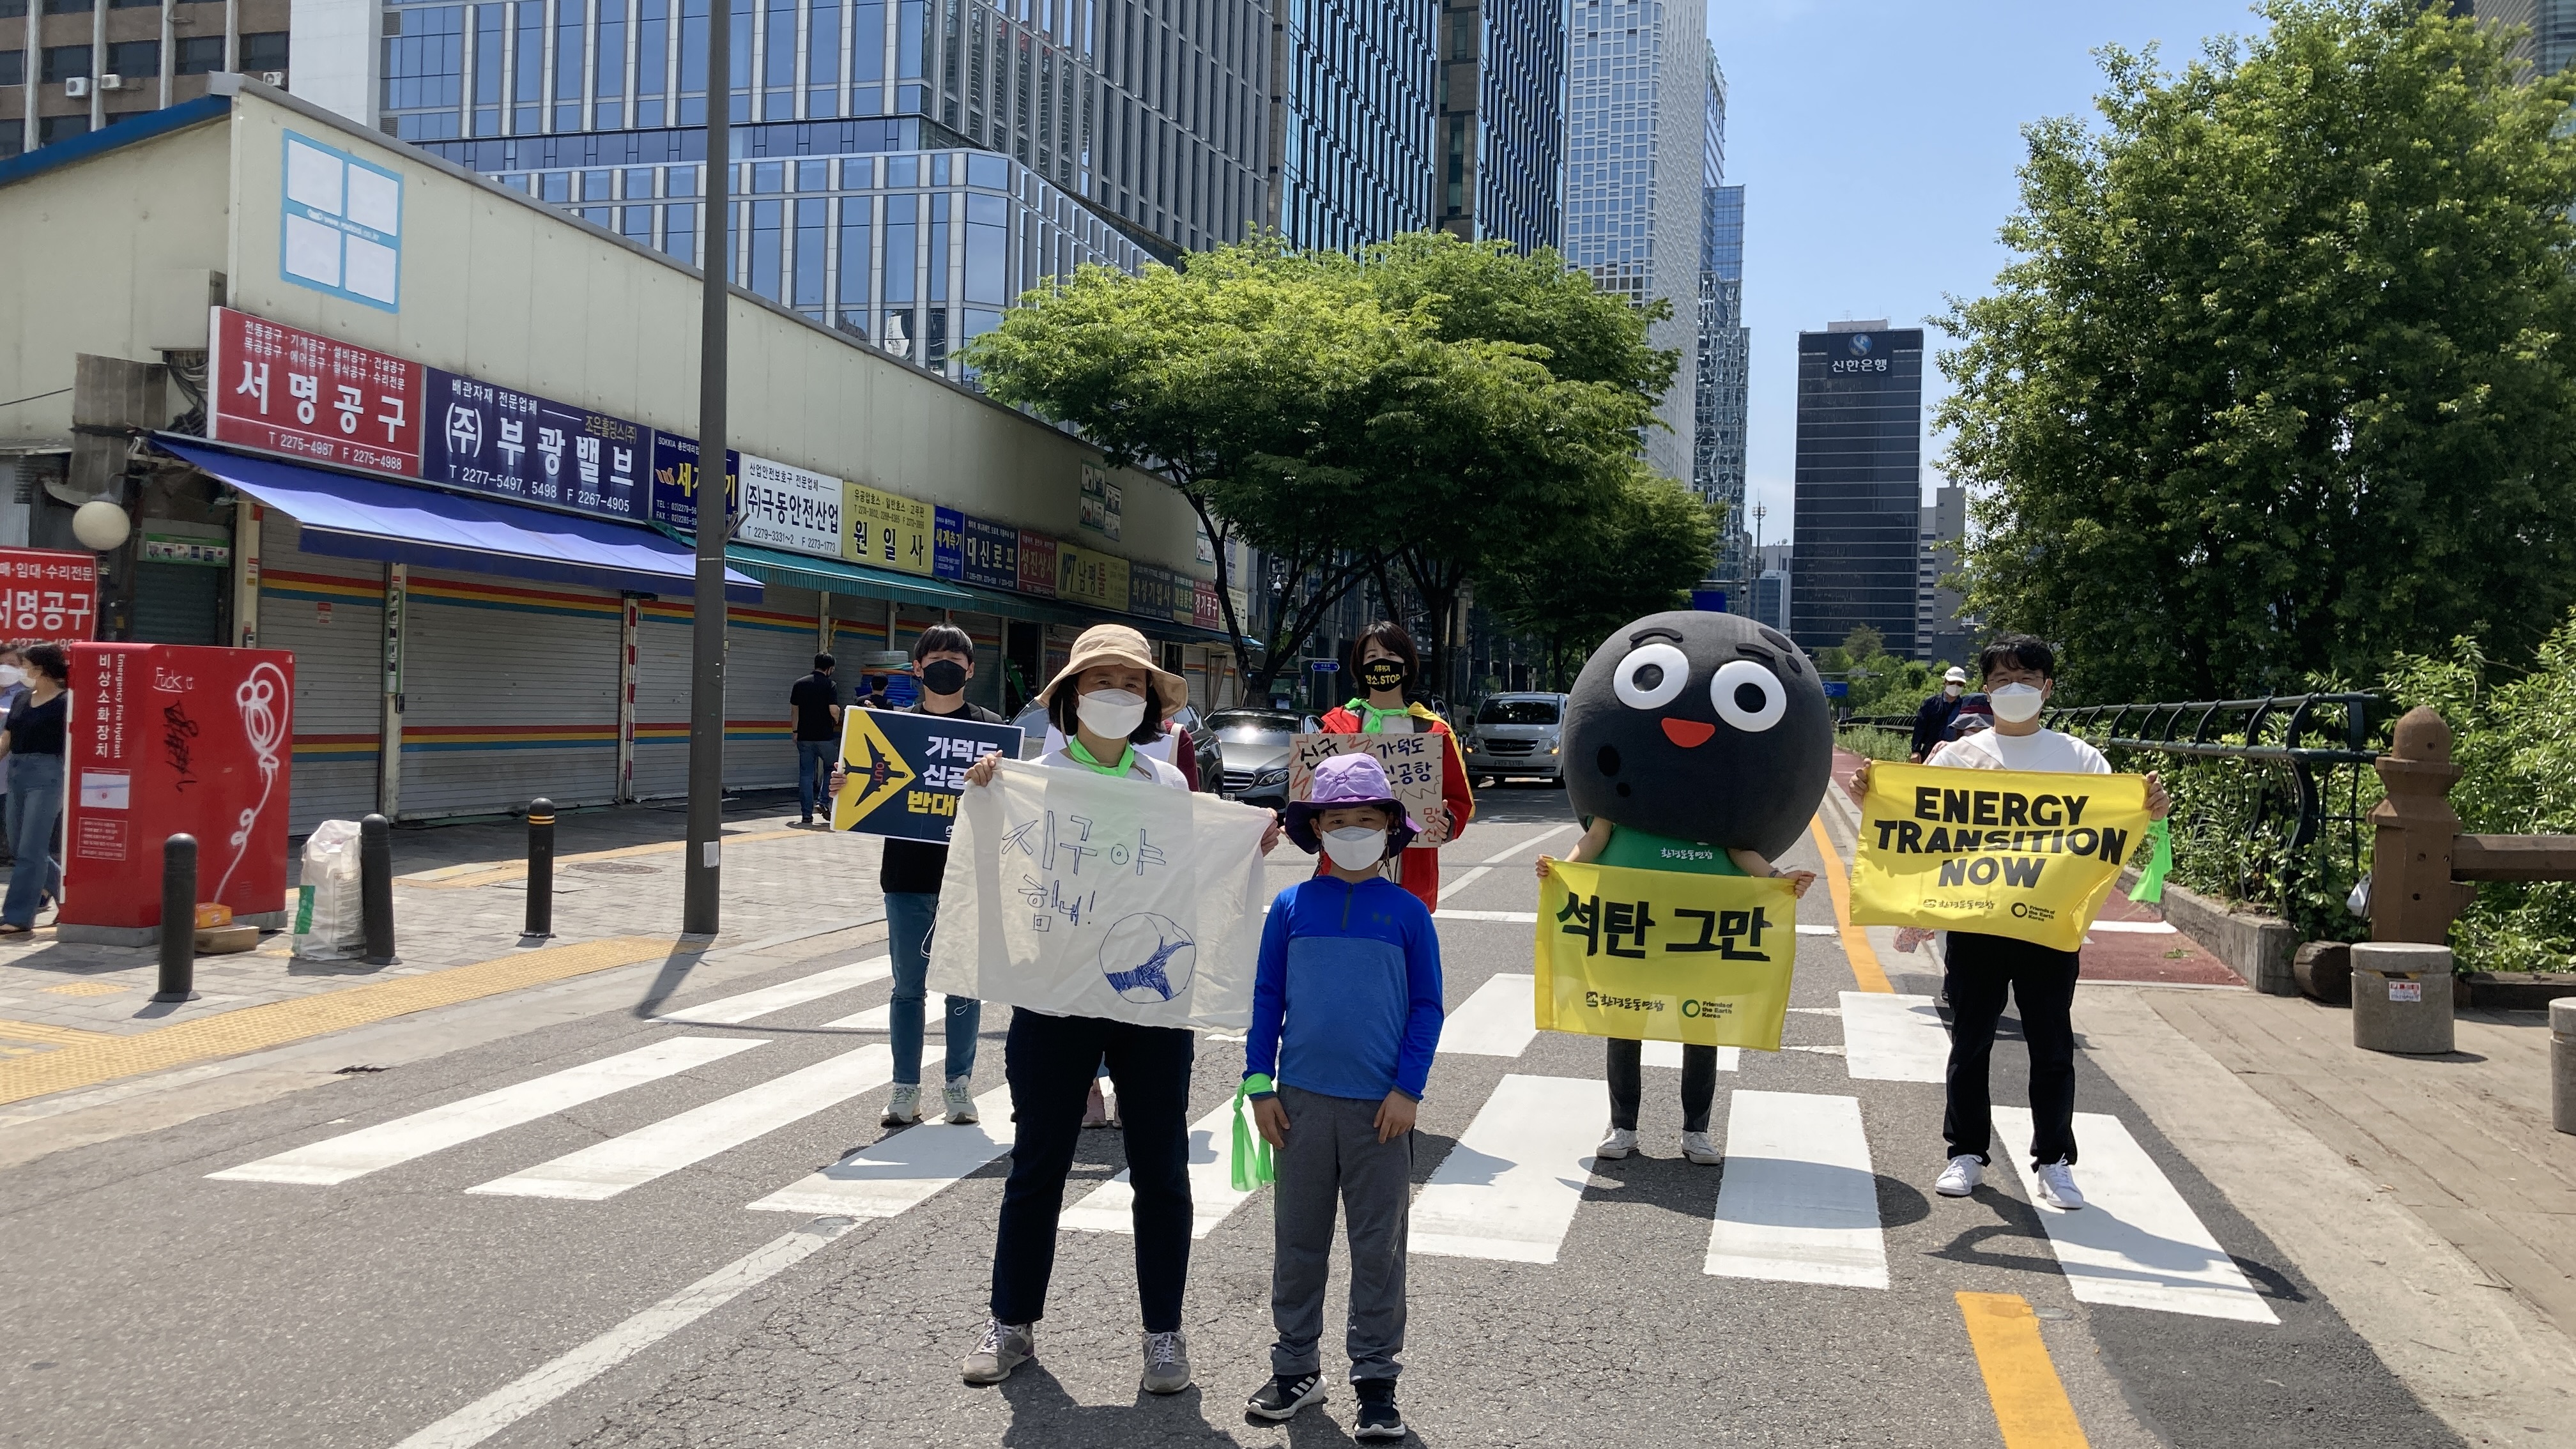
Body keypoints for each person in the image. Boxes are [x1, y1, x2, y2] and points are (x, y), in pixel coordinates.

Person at [956, 624, 1282, 1393]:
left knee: (1161, 1168)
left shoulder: (1167, 786)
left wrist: (1243, 847)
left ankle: (1164, 1335)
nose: (1116, 693)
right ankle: (1011, 1323)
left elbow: (1192, 880)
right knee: (1038, 1163)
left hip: (1150, 1003)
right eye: (1101, 680)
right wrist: (982, 794)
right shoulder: (1029, 778)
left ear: (1149, 705)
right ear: (1070, 697)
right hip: (1054, 996)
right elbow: (989, 865)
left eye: (1132, 683)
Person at [1853, 634, 2171, 1211]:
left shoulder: (2081, 761)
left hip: (2048, 926)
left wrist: (2149, 806)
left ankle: (2054, 1160)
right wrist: (1871, 795)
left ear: (2047, 689)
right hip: (1976, 924)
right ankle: (1966, 1152)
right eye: (2002, 680)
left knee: (2052, 1045)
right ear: (1986, 689)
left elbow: (2115, 824)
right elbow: (1915, 821)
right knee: (1970, 1042)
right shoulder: (1958, 758)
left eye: (2026, 679)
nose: (2014, 689)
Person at [1242, 753, 1443, 1441]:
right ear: (1317, 830)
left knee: (1378, 1247)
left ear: (1390, 828)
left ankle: (1376, 1381)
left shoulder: (1409, 913)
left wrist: (1408, 1089)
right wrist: (1258, 1082)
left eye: (1365, 818)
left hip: (1381, 1111)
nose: (1352, 830)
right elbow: (1267, 997)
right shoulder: (1292, 907)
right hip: (1298, 1104)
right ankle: (1296, 1367)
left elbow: (1427, 1008)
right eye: (1337, 820)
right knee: (1298, 1242)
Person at [1537, 824, 1814, 1164]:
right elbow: (1597, 836)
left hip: (1700, 926)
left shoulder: (1717, 800)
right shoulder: (1625, 795)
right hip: (1635, 923)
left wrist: (1777, 878)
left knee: (1700, 1027)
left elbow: (1737, 847)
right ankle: (1623, 1127)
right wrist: (1560, 870)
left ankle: (1696, 1131)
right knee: (1625, 1024)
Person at [827, 626, 1002, 1127]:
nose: (946, 665)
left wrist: (999, 777)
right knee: (908, 988)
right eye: (936, 657)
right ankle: (905, 1090)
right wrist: (840, 786)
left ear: (971, 669)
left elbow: (1014, 805)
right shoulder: (891, 729)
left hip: (968, 880)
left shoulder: (993, 733)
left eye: (956, 658)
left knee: (964, 986)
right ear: (918, 668)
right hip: (906, 875)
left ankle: (959, 1087)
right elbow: (855, 792)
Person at [1315, 622, 1474, 914]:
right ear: (1360, 667)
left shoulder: (1432, 731)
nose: (1381, 663)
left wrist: (1447, 823)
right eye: (1372, 656)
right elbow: (1313, 792)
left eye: (1390, 655)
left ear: (1406, 665)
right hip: (1343, 862)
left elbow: (1460, 800)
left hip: (1409, 869)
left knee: (1401, 938)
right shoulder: (1337, 727)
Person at [0, 643, 69, 936]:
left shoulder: (66, 702)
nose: (21, 671)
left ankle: (17, 917)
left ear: (41, 669)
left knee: (31, 849)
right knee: (22, 847)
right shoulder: (21, 699)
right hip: (17, 772)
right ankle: (72, 899)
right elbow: (7, 738)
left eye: (25, 665)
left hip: (47, 774)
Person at [787, 654, 842, 827]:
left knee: (806, 774)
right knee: (831, 768)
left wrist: (795, 731)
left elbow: (794, 710)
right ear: (829, 668)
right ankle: (823, 801)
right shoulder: (830, 685)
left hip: (804, 736)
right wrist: (837, 719)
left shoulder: (799, 684)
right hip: (825, 737)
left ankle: (806, 815)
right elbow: (833, 710)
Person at [0, 645, 27, 868]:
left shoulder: (24, 694)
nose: (5, 669)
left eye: (12, 664)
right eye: (1, 664)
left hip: (12, 768)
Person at [1910, 666, 1969, 762]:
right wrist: (1915, 751)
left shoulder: (1965, 706)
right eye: (1952, 682)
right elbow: (1919, 728)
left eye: (1960, 684)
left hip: (1956, 754)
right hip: (1930, 751)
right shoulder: (1930, 703)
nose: (1955, 686)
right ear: (1945, 682)